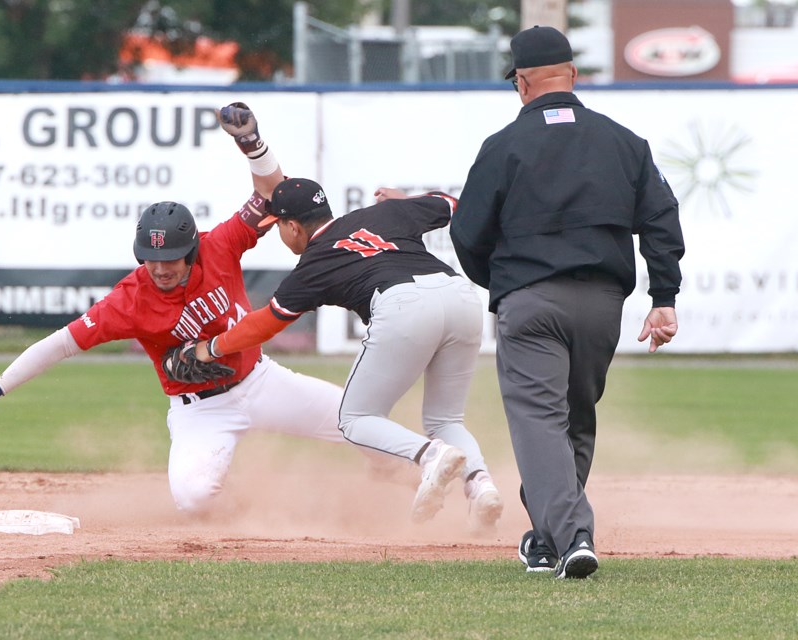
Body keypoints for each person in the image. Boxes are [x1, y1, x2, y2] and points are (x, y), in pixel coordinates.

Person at [0, 103, 352, 515]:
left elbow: (270, 194)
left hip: (261, 381)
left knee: (357, 420)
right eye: (150, 259)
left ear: (191, 250)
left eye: (171, 258)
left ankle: (410, 477)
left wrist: (251, 143)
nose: (159, 268)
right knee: (193, 499)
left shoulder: (220, 245)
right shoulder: (129, 299)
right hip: (201, 411)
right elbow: (61, 344)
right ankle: (247, 514)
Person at [449, 26, 684, 578]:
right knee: (573, 421)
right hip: (602, 305)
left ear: (521, 82)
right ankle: (547, 538)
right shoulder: (624, 141)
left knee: (539, 423)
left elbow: (467, 233)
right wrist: (664, 295)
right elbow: (660, 219)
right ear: (573, 75)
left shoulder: (503, 145)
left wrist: (501, 285)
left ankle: (575, 535)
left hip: (530, 303)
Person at [186, 176, 505, 536]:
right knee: (446, 418)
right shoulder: (386, 213)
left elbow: (268, 321)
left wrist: (213, 347)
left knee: (354, 419)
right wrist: (406, 201)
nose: (280, 234)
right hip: (461, 298)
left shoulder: (315, 262)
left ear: (293, 227)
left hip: (403, 305)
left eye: (278, 226)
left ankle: (430, 456)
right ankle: (481, 488)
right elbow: (451, 204)